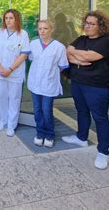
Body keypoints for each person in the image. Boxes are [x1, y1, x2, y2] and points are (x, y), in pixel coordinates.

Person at [62, 10, 109, 170]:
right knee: (81, 111)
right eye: (86, 23)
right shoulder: (82, 39)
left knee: (100, 117)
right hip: (78, 81)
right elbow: (67, 51)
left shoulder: (106, 42)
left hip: (98, 86)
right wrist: (78, 55)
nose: (87, 26)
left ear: (101, 26)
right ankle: (81, 137)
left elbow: (89, 57)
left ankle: (103, 152)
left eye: (92, 24)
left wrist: (78, 55)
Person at [27, 19, 68, 148]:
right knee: (37, 110)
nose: (42, 31)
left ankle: (49, 135)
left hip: (49, 84)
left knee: (46, 110)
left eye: (45, 28)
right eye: (40, 29)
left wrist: (50, 73)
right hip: (35, 82)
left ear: (51, 29)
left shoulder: (59, 47)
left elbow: (62, 65)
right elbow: (31, 60)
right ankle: (40, 133)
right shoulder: (33, 44)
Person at [0, 9, 29, 137]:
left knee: (14, 98)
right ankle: (3, 120)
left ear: (17, 19)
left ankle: (12, 125)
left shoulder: (23, 34)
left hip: (15, 72)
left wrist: (10, 69)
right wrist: (1, 68)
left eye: (11, 18)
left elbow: (23, 55)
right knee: (1, 96)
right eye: (6, 18)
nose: (8, 20)